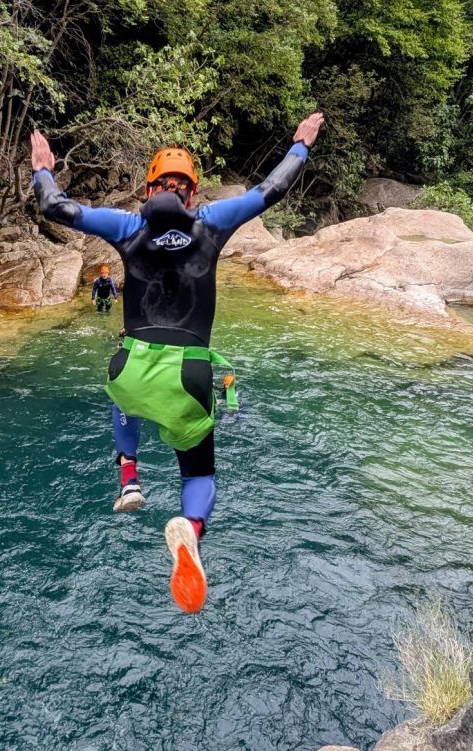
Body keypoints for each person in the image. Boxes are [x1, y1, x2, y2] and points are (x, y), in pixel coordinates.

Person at [30, 113, 324, 613]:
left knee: (120, 392)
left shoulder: (127, 225)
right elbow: (270, 190)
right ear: (191, 193)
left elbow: (56, 207)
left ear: (149, 190)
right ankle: (192, 530)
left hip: (132, 366)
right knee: (198, 475)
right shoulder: (211, 222)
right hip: (189, 375)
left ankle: (128, 478)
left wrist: (43, 169)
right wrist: (300, 146)